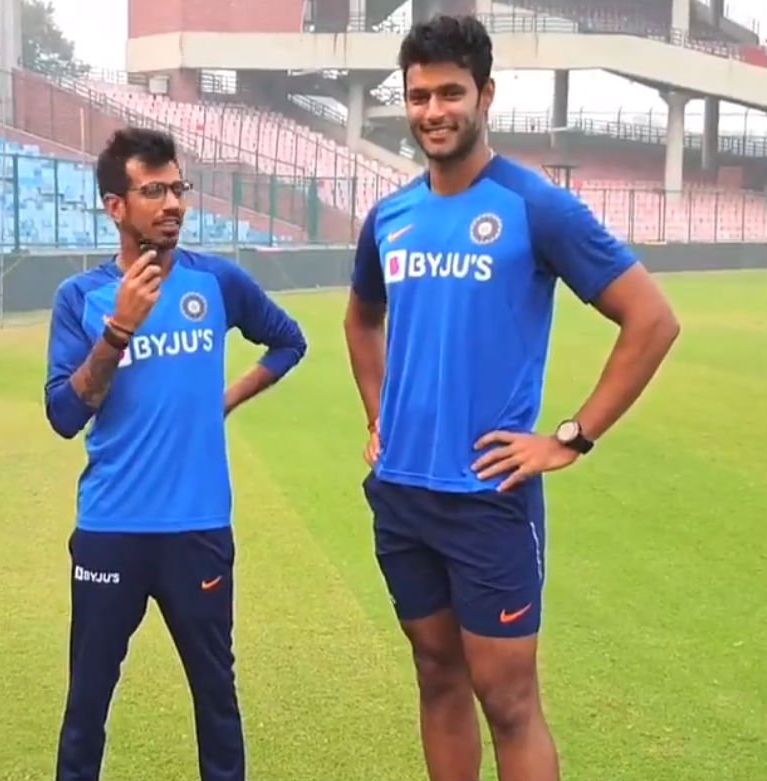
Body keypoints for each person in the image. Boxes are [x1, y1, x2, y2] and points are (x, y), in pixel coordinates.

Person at [344, 15, 680, 781]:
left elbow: (652, 319)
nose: (434, 111)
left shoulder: (535, 206)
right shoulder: (390, 216)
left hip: (488, 495)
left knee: (508, 700)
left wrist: (571, 435)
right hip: (401, 492)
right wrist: (377, 413)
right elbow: (361, 318)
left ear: (485, 95)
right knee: (437, 675)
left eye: (450, 93)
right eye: (419, 96)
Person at [43, 127, 308, 781]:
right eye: (153, 191)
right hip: (111, 529)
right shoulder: (81, 298)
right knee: (87, 701)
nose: (172, 204)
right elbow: (64, 415)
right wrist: (118, 329)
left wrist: (226, 398)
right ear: (115, 206)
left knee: (216, 697)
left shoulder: (216, 281)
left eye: (177, 188)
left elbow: (288, 342)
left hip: (198, 527)